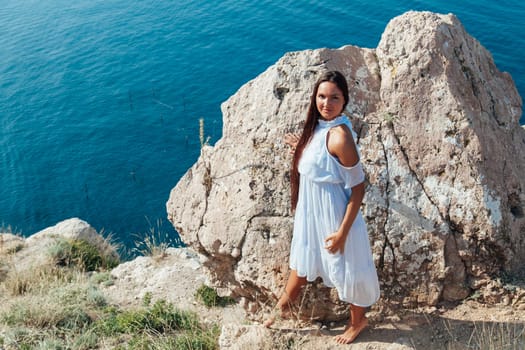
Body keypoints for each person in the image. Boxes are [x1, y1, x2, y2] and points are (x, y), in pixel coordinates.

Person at [264, 70, 380, 344]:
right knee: (303, 262)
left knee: (349, 269)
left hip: (335, 215)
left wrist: (342, 233)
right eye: (321, 96)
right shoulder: (318, 128)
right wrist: (302, 150)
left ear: (345, 101)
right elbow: (321, 163)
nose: (326, 103)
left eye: (334, 98)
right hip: (311, 213)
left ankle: (358, 321)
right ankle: (281, 308)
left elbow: (358, 188)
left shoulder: (340, 137)